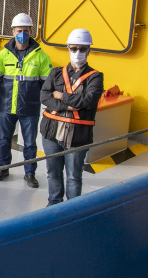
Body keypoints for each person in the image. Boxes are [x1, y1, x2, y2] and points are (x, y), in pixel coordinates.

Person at [40, 28, 104, 205]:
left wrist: (61, 96)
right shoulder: (55, 73)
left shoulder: (96, 77)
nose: (78, 53)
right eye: (74, 48)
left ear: (88, 51)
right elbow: (44, 96)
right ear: (68, 49)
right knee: (53, 173)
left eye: (82, 49)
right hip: (51, 134)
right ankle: (54, 204)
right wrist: (70, 104)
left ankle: (72, 210)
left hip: (77, 136)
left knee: (74, 177)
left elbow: (89, 100)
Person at [0, 13, 52, 188]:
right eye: (19, 30)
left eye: (25, 31)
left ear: (31, 31)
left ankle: (30, 173)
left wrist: (30, 95)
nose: (22, 34)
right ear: (13, 31)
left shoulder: (41, 57)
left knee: (30, 143)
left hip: (30, 107)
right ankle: (3, 168)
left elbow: (45, 83)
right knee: (4, 139)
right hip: (7, 105)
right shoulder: (2, 55)